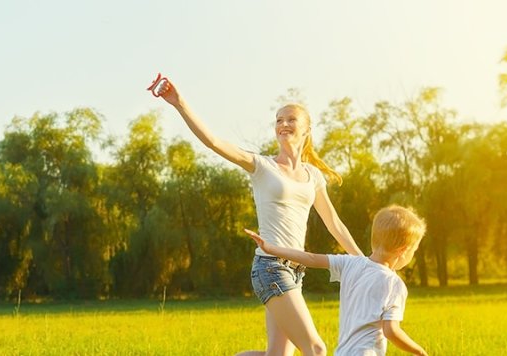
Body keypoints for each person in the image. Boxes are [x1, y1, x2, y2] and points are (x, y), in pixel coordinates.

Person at [150, 76, 365, 356]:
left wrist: (365, 263)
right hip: (270, 268)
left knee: (276, 355)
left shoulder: (314, 176)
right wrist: (180, 103)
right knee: (316, 349)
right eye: (278, 120)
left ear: (307, 129)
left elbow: (334, 223)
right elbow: (214, 142)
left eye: (290, 119)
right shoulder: (262, 166)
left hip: (295, 270)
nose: (283, 124)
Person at [246, 205, 429, 356]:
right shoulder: (394, 284)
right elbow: (391, 331)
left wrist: (272, 249)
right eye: (414, 251)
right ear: (403, 250)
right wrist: (419, 351)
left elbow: (310, 258)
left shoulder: (350, 263)